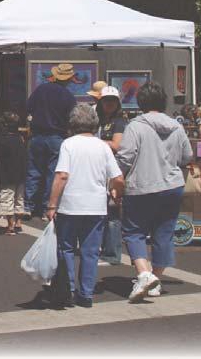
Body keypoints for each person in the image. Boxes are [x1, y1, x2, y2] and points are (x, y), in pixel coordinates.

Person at [116, 82, 193, 302]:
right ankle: (155, 280)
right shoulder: (176, 126)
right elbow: (187, 156)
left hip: (141, 186)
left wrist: (116, 178)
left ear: (140, 102)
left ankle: (144, 274)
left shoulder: (135, 126)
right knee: (164, 232)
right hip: (172, 186)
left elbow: (125, 157)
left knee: (134, 231)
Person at [46, 104, 125, 308]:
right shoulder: (103, 146)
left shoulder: (68, 144)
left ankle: (68, 289)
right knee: (91, 252)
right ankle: (86, 294)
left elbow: (62, 175)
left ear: (73, 123)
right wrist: (116, 193)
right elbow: (118, 178)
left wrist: (52, 204)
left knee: (66, 248)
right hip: (96, 206)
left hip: (70, 205)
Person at [24, 63, 77, 220]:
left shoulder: (41, 89)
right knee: (52, 173)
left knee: (34, 171)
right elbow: (71, 119)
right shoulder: (68, 96)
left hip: (37, 135)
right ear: (69, 78)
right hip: (57, 137)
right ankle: (47, 207)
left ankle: (27, 206)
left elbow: (28, 107)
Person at [95, 86, 127, 265]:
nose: (109, 104)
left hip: (113, 170)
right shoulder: (97, 120)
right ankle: (102, 247)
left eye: (113, 100)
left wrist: (94, 142)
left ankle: (112, 254)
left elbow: (117, 145)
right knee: (100, 211)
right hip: (97, 169)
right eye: (106, 100)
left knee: (113, 212)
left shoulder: (119, 122)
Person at [0, 111, 26, 235]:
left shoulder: (2, 140)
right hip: (20, 173)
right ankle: (19, 223)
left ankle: (10, 225)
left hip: (7, 175)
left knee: (7, 199)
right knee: (19, 199)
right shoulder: (20, 138)